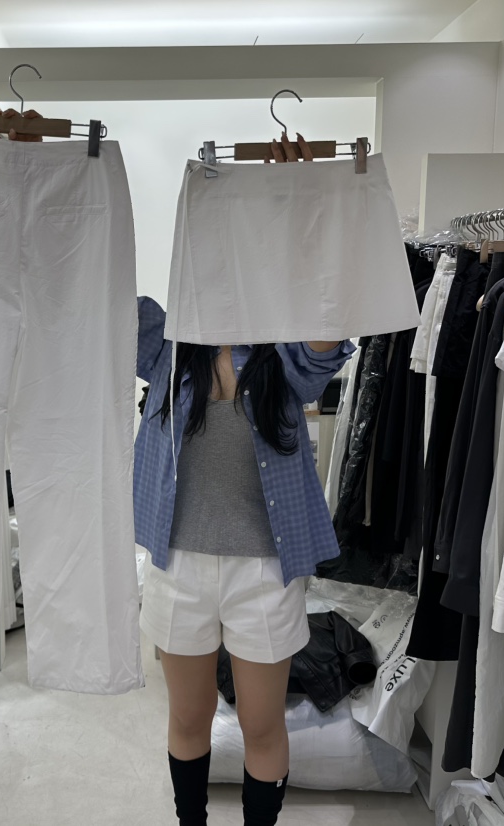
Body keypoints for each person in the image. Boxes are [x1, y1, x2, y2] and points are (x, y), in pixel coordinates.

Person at [135, 134, 355, 825]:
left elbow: (332, 317)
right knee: (188, 718)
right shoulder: (167, 346)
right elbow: (92, 292)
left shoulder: (284, 357)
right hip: (178, 565)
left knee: (263, 725)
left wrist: (297, 203)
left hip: (265, 567)